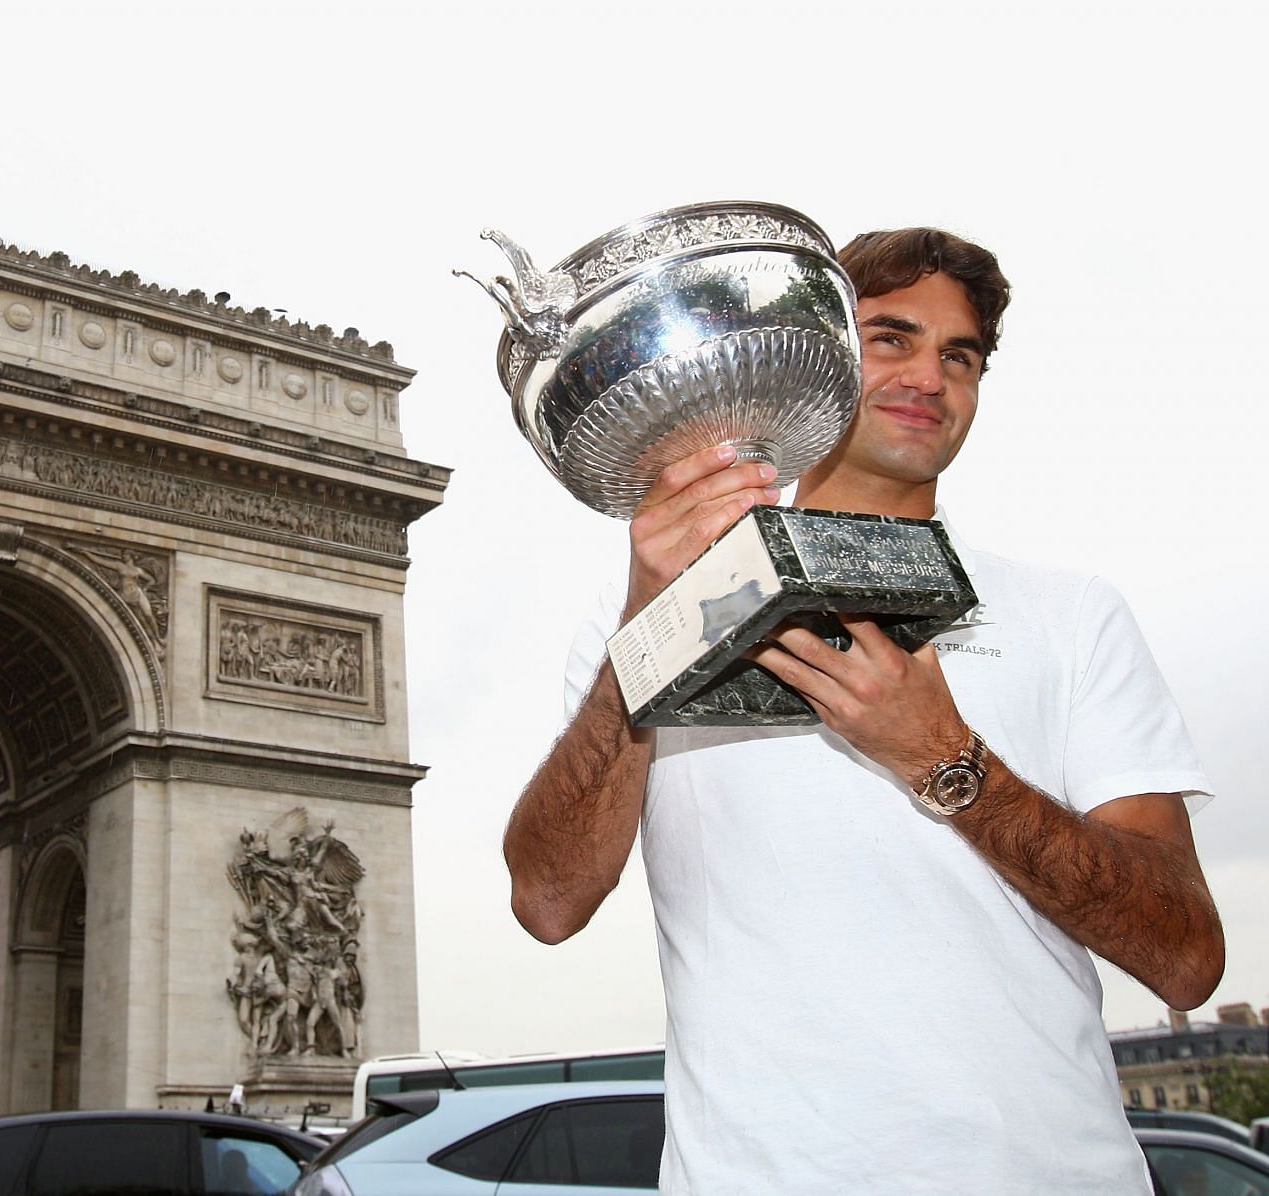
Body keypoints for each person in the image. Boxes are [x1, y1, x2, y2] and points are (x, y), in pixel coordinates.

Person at [503, 228, 1223, 1194]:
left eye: (959, 355)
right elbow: (548, 903)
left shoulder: (1072, 613)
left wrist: (944, 761)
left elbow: (1186, 960)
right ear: (822, 353)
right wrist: (658, 625)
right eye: (891, 338)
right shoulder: (639, 612)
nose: (929, 374)